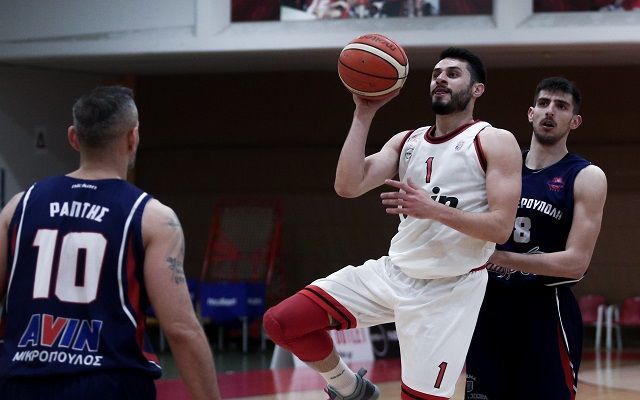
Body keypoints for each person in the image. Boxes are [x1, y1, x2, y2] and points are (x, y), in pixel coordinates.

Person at [263, 47, 522, 400]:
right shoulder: (407, 141)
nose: (440, 79)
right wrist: (363, 113)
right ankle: (350, 389)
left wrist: (433, 210)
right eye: (436, 74)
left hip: (449, 289)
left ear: (477, 89)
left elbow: (501, 228)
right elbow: (348, 186)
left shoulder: (494, 140)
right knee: (282, 322)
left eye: (453, 74)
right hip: (393, 273)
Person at [0, 86, 221, 400]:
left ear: (73, 137)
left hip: (21, 382)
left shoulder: (18, 206)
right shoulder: (152, 217)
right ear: (133, 138)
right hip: (111, 383)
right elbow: (181, 329)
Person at [465, 77, 607, 400]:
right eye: (543, 103)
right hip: (489, 306)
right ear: (531, 113)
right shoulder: (498, 169)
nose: (550, 111)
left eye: (561, 106)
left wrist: (502, 258)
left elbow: (576, 263)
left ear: (575, 121)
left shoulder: (586, 176)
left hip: (546, 309)